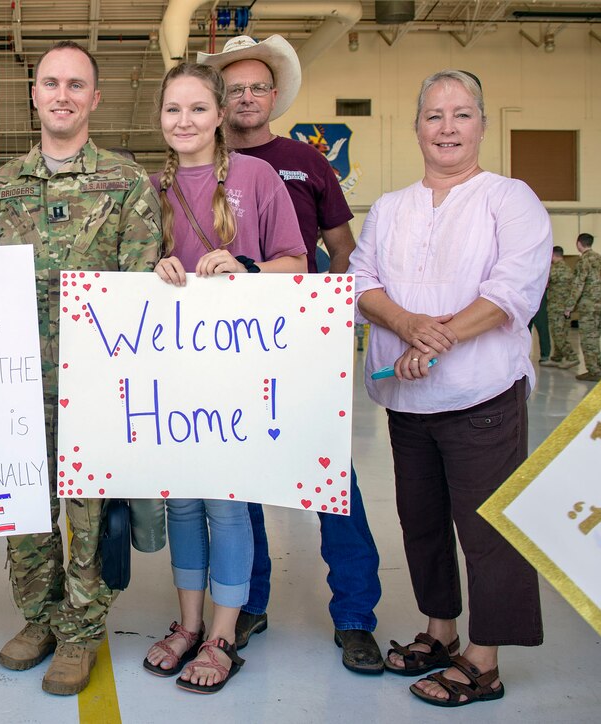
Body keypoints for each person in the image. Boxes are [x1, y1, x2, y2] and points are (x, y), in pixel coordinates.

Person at [350, 70, 550, 707]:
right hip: (407, 401)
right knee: (423, 522)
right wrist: (406, 325)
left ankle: (483, 661)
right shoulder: (390, 207)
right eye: (434, 116)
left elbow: (512, 289)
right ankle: (440, 630)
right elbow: (361, 283)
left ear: (482, 125)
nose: (447, 128)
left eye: (461, 115)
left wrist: (434, 340)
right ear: (417, 129)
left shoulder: (508, 199)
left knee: (486, 529)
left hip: (481, 396)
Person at [0, 40, 162, 696]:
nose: (62, 94)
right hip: (17, 382)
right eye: (51, 82)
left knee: (85, 518)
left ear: (94, 98)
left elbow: (142, 287)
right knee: (24, 513)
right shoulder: (1, 187)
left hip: (92, 386)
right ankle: (39, 617)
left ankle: (81, 629)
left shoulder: (127, 182)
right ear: (34, 94)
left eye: (76, 84)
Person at [198, 34, 384, 673]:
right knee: (238, 484)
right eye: (234, 90)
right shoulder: (197, 163)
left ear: (275, 95)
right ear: (219, 101)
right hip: (222, 350)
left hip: (299, 342)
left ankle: (356, 616)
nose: (246, 98)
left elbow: (342, 247)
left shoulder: (307, 162)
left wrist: (337, 319)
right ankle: (246, 603)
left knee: (332, 482)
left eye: (257, 88)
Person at [143, 62, 306, 694]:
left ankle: (222, 634)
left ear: (218, 115)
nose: (184, 121)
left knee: (229, 502)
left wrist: (244, 266)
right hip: (169, 367)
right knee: (182, 500)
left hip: (239, 366)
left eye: (197, 109)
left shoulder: (257, 176)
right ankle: (187, 623)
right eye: (172, 110)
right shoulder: (148, 186)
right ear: (161, 118)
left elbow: (298, 263)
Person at [564, 233, 601, 381]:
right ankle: (597, 367)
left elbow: (578, 285)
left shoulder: (584, 261)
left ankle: (594, 371)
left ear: (579, 244)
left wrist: (569, 306)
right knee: (595, 337)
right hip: (600, 304)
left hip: (588, 306)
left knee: (588, 339)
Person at [539, 246, 578, 368]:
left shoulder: (555, 269)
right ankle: (557, 357)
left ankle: (572, 357)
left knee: (558, 333)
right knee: (561, 332)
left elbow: (543, 282)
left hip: (557, 306)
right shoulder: (566, 268)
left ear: (553, 255)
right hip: (564, 306)